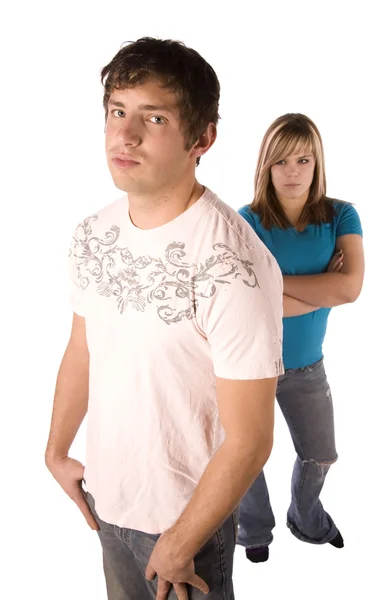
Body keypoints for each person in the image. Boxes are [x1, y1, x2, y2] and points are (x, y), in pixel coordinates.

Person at [44, 37, 284, 599]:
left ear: (202, 139)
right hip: (109, 507)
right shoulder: (92, 233)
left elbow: (251, 439)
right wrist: (55, 451)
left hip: (185, 529)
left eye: (153, 118)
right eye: (117, 113)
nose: (124, 136)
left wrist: (179, 541)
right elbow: (84, 349)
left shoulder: (233, 263)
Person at [237, 113, 364, 563]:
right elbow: (248, 306)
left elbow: (350, 288)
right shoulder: (246, 221)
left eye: (303, 160)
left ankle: (306, 519)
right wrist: (321, 291)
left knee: (321, 454)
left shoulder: (341, 215)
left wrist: (278, 287)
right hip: (249, 364)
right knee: (246, 456)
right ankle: (253, 529)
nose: (292, 172)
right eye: (281, 162)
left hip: (308, 364)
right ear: (266, 167)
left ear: (317, 163)